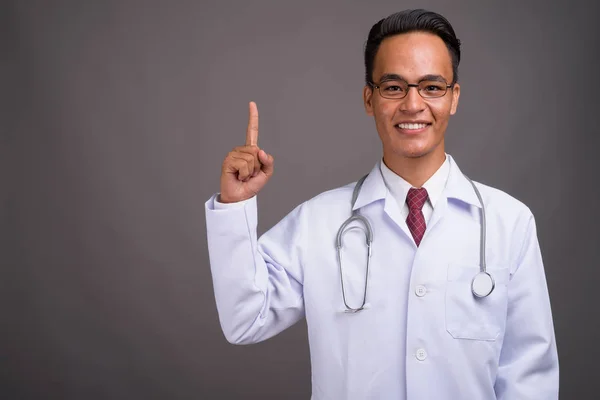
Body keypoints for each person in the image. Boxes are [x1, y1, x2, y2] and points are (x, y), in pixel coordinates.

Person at [205, 9, 559, 399]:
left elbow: (529, 376)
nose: (412, 104)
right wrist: (234, 206)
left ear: (454, 97)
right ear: (368, 99)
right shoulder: (319, 222)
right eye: (393, 87)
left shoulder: (509, 222)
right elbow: (244, 319)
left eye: (432, 87)